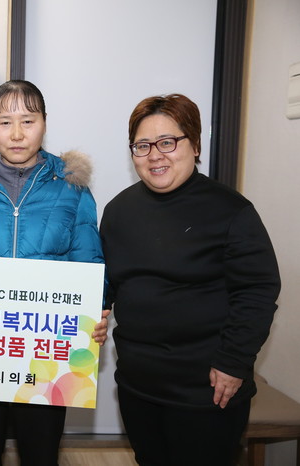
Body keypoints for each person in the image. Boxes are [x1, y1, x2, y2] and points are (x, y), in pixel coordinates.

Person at [99, 93, 281, 466]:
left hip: (207, 389)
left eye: (167, 142)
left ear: (195, 145)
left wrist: (234, 362)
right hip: (137, 383)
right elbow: (109, 282)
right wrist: (96, 311)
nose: (154, 155)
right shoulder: (118, 211)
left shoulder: (232, 211)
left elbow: (257, 292)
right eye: (142, 146)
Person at [0, 80, 109, 466]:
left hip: (45, 355)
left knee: (41, 453)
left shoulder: (73, 190)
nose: (16, 134)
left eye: (28, 121)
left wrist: (94, 315)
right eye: (5, 122)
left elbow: (89, 264)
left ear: (44, 123)